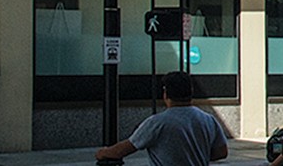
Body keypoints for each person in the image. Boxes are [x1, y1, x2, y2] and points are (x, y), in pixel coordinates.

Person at [94, 71, 228, 166]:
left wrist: (104, 153)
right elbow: (221, 152)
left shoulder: (157, 123)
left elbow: (125, 149)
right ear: (191, 92)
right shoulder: (208, 119)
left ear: (166, 93)